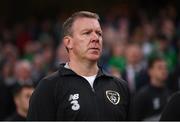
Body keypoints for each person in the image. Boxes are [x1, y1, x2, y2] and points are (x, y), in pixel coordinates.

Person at [27, 11, 130, 121]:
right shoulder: (48, 87)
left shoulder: (120, 86)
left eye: (99, 33)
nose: (95, 38)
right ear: (68, 42)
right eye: (87, 33)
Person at [130, 56, 172, 120]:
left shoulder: (171, 93)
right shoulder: (142, 95)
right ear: (150, 71)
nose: (164, 70)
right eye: (160, 68)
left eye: (165, 68)